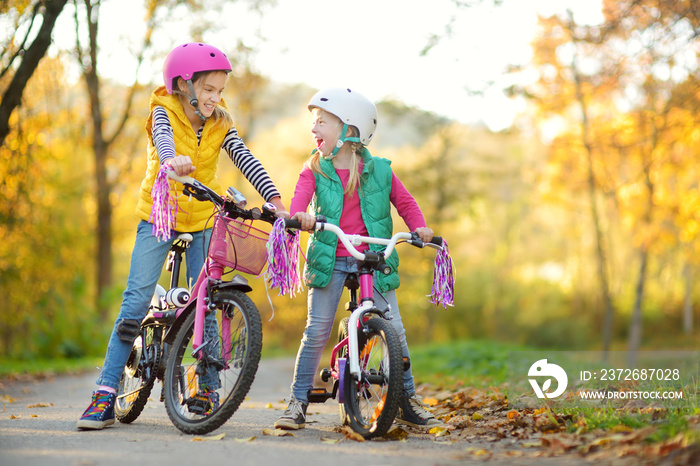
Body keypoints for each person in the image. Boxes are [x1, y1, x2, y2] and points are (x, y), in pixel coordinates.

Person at [77, 42, 288, 430]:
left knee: (207, 300)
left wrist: (274, 198)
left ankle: (206, 388)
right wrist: (171, 160)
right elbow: (163, 140)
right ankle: (104, 393)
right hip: (160, 216)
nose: (215, 98)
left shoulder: (222, 122)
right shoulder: (164, 110)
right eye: (208, 89)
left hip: (204, 216)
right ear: (183, 85)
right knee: (136, 300)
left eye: (220, 90)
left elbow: (244, 156)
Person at [274, 87, 441, 430]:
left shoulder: (380, 170)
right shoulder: (315, 170)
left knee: (394, 328)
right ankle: (298, 401)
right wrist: (299, 216)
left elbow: (405, 202)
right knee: (317, 329)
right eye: (314, 122)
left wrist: (420, 228)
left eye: (322, 122)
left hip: (372, 258)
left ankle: (406, 398)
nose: (314, 129)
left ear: (349, 130)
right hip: (331, 257)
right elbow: (299, 201)